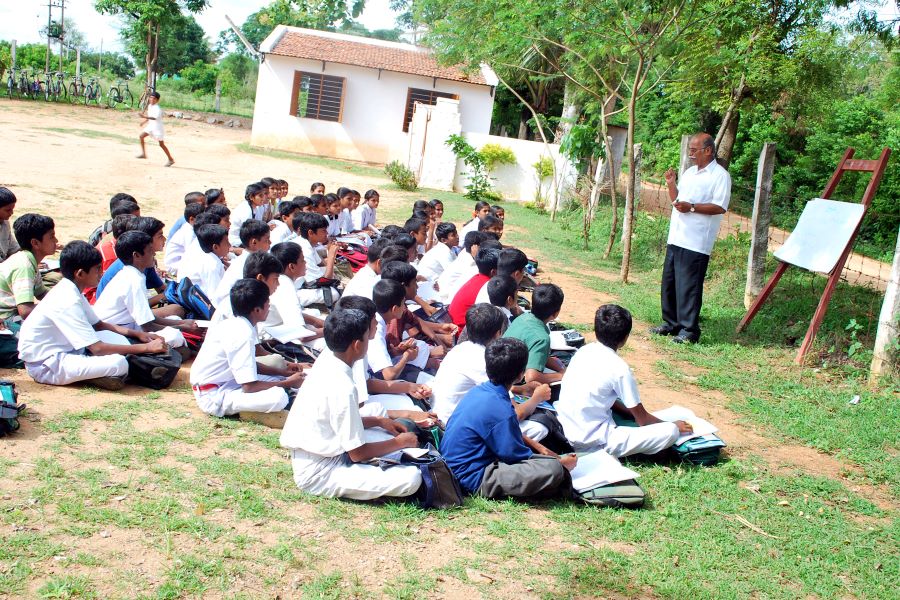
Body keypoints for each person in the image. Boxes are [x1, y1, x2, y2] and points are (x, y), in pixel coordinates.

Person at [280, 306, 422, 500]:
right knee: (411, 478)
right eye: (366, 338)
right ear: (357, 345)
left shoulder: (329, 360)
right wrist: (399, 443)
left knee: (382, 429)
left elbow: (337, 422)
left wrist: (380, 421)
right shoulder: (342, 385)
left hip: (326, 451)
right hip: (321, 472)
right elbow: (358, 453)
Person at [17, 241, 167, 389]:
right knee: (118, 363)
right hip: (48, 365)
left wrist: (137, 335)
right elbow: (98, 349)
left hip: (67, 351)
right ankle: (96, 376)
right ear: (80, 273)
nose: (101, 274)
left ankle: (97, 372)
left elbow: (99, 325)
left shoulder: (72, 289)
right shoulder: (67, 299)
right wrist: (147, 348)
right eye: (97, 269)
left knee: (118, 340)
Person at [440, 337, 575, 500]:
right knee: (553, 470)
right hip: (474, 479)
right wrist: (560, 464)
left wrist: (541, 449)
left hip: (457, 468)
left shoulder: (480, 392)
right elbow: (516, 457)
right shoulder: (501, 408)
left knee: (548, 461)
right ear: (520, 375)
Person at [557, 304, 693, 457]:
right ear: (625, 338)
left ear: (596, 331)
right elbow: (643, 421)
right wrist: (673, 424)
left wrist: (628, 411)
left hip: (564, 429)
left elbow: (600, 396)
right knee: (670, 432)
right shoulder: (619, 368)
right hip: (593, 442)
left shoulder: (583, 351)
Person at [652, 132, 731, 344]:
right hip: (677, 236)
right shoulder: (689, 173)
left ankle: (689, 331)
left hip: (697, 241)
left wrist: (693, 207)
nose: (691, 154)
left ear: (708, 150)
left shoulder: (720, 176)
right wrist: (671, 184)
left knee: (689, 286)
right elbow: (678, 199)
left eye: (694, 150)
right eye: (690, 150)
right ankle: (671, 324)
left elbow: (720, 206)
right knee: (670, 283)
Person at [190, 278, 305, 418]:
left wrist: (284, 373)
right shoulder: (242, 333)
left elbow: (250, 366)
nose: (269, 306)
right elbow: (250, 387)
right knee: (279, 397)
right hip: (213, 395)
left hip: (227, 383)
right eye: (267, 303)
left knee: (280, 380)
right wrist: (288, 382)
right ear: (257, 310)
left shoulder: (238, 324)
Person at [93, 231, 194, 351]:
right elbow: (147, 326)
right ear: (136, 255)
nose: (154, 253)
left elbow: (147, 318)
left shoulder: (132, 274)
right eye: (150, 250)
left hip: (128, 327)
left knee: (177, 321)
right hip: (114, 334)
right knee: (177, 339)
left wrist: (180, 324)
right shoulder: (133, 279)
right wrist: (182, 328)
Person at [265, 242, 326, 353]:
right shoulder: (285, 286)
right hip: (274, 339)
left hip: (279, 329)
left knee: (318, 315)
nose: (305, 262)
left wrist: (316, 321)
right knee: (332, 344)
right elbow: (301, 335)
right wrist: (330, 330)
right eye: (302, 260)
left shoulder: (281, 280)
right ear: (291, 266)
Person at [368, 279, 431, 383]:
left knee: (421, 346)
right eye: (403, 304)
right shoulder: (376, 329)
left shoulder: (378, 319)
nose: (404, 308)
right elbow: (388, 375)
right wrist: (406, 357)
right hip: (373, 379)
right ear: (394, 309)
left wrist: (397, 351)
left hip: (375, 371)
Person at [504, 283, 566, 384]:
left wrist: (561, 368)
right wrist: (561, 375)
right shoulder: (542, 338)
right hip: (510, 382)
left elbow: (537, 354)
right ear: (555, 313)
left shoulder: (522, 318)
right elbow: (531, 377)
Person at [0, 214, 56, 320]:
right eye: (52, 236)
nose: (56, 241)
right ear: (35, 243)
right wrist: (58, 308)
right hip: (5, 319)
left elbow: (41, 293)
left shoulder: (29, 259)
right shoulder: (24, 265)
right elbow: (26, 311)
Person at [292, 212, 340, 307]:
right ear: (311, 233)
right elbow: (324, 280)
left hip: (302, 283)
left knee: (333, 272)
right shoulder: (304, 249)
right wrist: (331, 256)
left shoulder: (306, 243)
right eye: (323, 231)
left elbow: (322, 264)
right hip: (294, 291)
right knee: (334, 293)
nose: (327, 233)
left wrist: (329, 253)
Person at [448, 246, 500, 330]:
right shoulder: (489, 287)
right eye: (502, 268)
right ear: (493, 272)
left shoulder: (476, 277)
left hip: (455, 326)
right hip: (462, 332)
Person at [438, 231, 490, 303]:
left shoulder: (465, 253)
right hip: (447, 299)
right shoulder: (471, 265)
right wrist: (477, 257)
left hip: (447, 294)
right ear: (475, 247)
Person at [180, 224, 229, 295]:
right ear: (215, 247)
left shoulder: (208, 257)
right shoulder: (212, 264)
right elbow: (215, 295)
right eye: (227, 242)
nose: (230, 245)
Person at [164, 202, 205, 276]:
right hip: (175, 266)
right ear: (192, 219)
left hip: (184, 261)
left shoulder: (192, 228)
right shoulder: (188, 232)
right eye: (201, 218)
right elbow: (192, 253)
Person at [137, 91, 175, 167]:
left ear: (157, 100)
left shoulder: (158, 108)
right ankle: (144, 154)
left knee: (161, 144)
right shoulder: (150, 106)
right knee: (141, 136)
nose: (151, 99)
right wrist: (144, 121)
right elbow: (150, 116)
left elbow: (154, 117)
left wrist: (144, 117)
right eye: (150, 97)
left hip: (157, 128)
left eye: (154, 98)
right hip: (151, 126)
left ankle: (171, 159)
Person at [230, 183, 268, 248]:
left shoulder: (255, 207)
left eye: (264, 195)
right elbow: (249, 232)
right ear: (251, 197)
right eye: (260, 196)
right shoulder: (245, 210)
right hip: (238, 241)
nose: (263, 198)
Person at [0, 188, 19, 262]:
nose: (11, 213)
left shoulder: (5, 224)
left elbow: (14, 249)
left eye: (12, 209)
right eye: (8, 210)